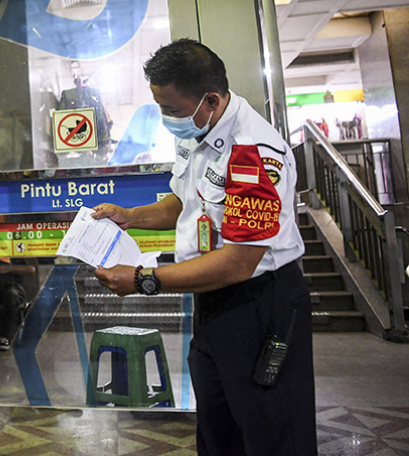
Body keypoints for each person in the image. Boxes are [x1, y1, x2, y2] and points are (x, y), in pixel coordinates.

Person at [92, 39, 317, 456]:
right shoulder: (201, 131)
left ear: (210, 99)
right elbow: (185, 199)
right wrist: (131, 215)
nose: (165, 118)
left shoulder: (253, 152)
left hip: (260, 303)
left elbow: (238, 262)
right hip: (213, 303)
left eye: (172, 110)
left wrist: (144, 280)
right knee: (218, 427)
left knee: (269, 431)